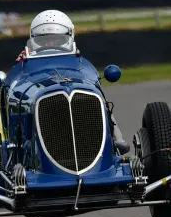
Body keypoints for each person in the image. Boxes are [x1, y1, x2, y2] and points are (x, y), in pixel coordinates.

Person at [15, 10, 130, 155]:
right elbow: (19, 76)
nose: (51, 43)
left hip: (72, 92)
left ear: (69, 37)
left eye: (57, 40)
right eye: (45, 40)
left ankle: (116, 138)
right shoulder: (25, 59)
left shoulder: (76, 59)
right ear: (34, 38)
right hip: (43, 99)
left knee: (102, 102)